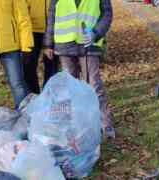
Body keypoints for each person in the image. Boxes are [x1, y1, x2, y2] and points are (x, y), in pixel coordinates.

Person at [43, 0, 116, 138]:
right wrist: (48, 44)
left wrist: (96, 33)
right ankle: (72, 126)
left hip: (89, 43)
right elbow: (52, 16)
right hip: (65, 44)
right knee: (69, 89)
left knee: (94, 85)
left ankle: (105, 125)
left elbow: (107, 14)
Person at [23, 0, 60, 94]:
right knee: (28, 67)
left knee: (52, 68)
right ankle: (33, 97)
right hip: (31, 31)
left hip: (53, 30)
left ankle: (48, 97)